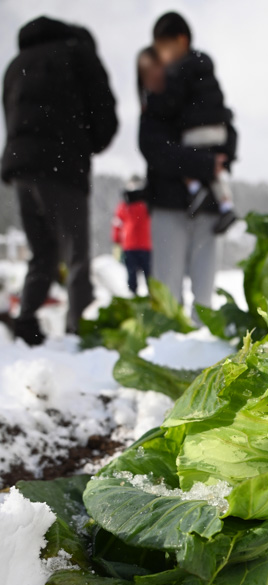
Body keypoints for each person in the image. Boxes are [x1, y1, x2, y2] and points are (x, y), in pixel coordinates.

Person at [1, 16, 118, 344]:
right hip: (63, 164)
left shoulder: (16, 63)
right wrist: (89, 143)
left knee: (42, 252)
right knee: (75, 253)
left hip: (22, 169)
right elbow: (103, 111)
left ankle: (26, 320)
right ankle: (79, 331)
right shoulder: (79, 54)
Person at [138, 21, 237, 313]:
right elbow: (154, 148)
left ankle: (202, 349)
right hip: (170, 201)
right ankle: (167, 348)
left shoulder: (198, 87)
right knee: (168, 293)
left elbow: (227, 134)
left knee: (203, 296)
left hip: (204, 206)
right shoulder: (159, 96)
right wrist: (206, 164)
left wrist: (217, 161)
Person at [153, 12, 237, 235]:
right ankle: (226, 204)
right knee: (216, 170)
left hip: (196, 130)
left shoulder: (178, 70)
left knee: (184, 155)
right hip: (219, 129)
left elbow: (171, 105)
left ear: (181, 40)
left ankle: (195, 188)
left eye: (164, 47)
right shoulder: (206, 70)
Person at [112, 177, 152, 295]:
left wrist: (117, 240)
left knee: (144, 277)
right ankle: (135, 298)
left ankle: (147, 299)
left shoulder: (141, 203)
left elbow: (117, 223)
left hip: (139, 245)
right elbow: (117, 223)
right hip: (138, 245)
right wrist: (117, 241)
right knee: (136, 277)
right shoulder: (128, 204)